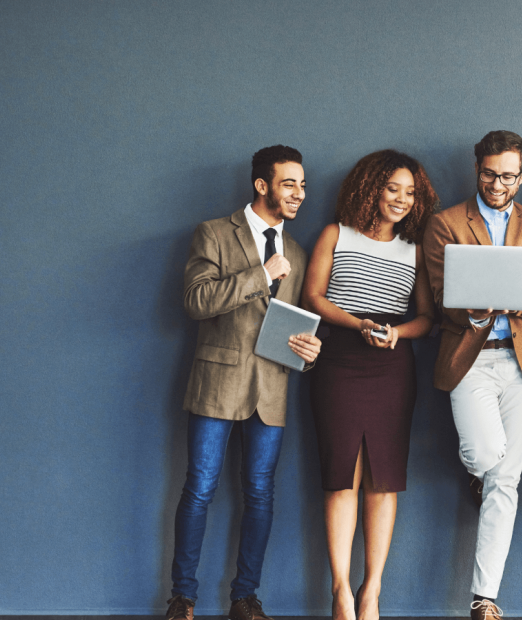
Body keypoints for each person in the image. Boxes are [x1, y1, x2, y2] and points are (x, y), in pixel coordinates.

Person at [165, 145, 322, 620]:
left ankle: (245, 597)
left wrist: (309, 355)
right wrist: (261, 274)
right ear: (262, 185)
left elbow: (292, 325)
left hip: (271, 391)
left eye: (302, 184)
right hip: (216, 385)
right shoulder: (213, 233)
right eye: (289, 183)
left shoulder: (297, 250)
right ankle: (182, 597)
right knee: (200, 489)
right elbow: (195, 301)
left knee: (260, 494)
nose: (299, 193)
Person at [422, 131, 522, 620]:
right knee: (485, 457)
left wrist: (510, 298)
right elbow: (440, 296)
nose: (497, 184)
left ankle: (485, 599)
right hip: (469, 356)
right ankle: (478, 472)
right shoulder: (446, 223)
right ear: (476, 169)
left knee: (507, 483)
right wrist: (482, 307)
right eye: (488, 173)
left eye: (507, 175)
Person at [302, 150, 438, 620]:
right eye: (392, 188)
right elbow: (313, 296)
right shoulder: (335, 234)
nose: (402, 199)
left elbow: (426, 318)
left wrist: (397, 332)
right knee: (342, 478)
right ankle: (339, 592)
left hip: (392, 366)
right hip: (337, 359)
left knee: (384, 481)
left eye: (410, 192)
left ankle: (371, 592)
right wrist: (358, 323)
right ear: (370, 188)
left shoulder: (414, 249)